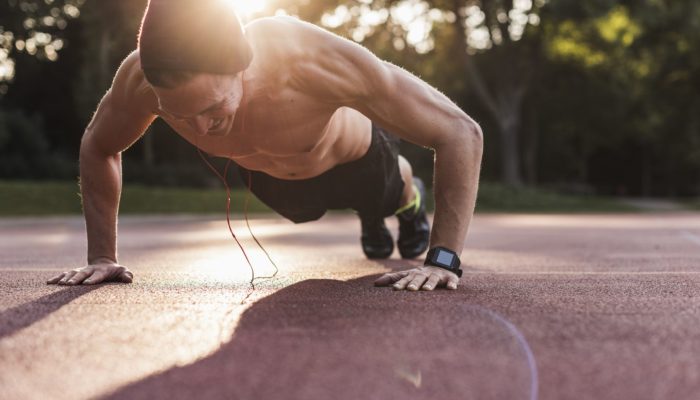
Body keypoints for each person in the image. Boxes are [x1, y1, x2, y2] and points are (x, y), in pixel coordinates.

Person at [47, 0, 483, 291]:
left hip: (359, 161)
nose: (201, 127)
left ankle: (406, 203)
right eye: (178, 114)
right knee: (302, 211)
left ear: (242, 65)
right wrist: (102, 255)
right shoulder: (138, 80)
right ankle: (372, 217)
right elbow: (99, 145)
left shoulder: (308, 59)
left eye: (213, 106)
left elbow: (460, 132)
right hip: (274, 183)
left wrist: (443, 260)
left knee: (389, 195)